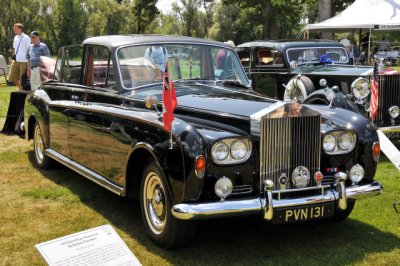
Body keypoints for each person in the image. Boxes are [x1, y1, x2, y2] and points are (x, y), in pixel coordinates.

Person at [8, 23, 31, 90]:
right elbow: (14, 48)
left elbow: (29, 50)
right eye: (14, 28)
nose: (14, 30)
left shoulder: (26, 38)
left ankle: (23, 90)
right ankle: (20, 88)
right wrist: (12, 58)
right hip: (16, 60)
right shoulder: (15, 37)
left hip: (24, 61)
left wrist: (28, 63)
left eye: (15, 28)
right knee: (12, 76)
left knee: (22, 78)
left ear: (20, 29)